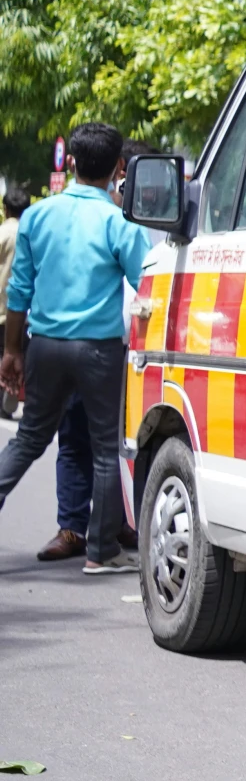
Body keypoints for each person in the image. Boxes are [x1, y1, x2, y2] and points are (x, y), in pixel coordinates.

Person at [0, 124, 152, 574]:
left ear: (70, 163)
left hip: (44, 345)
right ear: (116, 170)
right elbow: (143, 283)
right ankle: (101, 552)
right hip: (98, 349)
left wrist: (12, 351)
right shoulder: (116, 221)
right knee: (106, 448)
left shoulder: (37, 217)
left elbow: (19, 291)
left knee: (30, 439)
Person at [0, 186, 22, 421]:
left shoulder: (3, 233)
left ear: (6, 209)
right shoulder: (30, 234)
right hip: (20, 312)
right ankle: (6, 401)